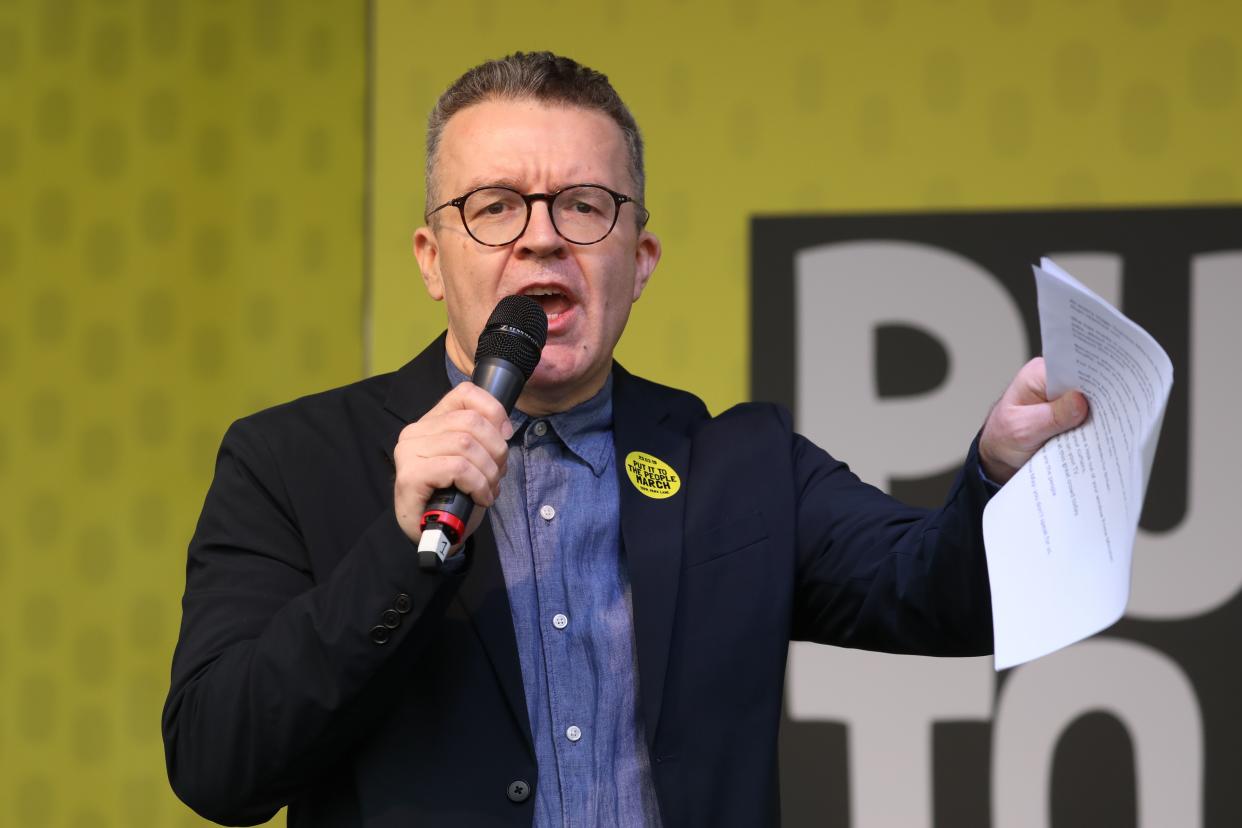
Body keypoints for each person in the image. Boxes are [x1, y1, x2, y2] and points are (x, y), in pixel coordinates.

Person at [163, 52, 1088, 827]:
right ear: (431, 259)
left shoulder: (738, 468)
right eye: (493, 206)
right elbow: (217, 766)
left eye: (585, 206)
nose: (541, 240)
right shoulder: (289, 462)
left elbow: (940, 596)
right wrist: (400, 553)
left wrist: (999, 469)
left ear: (639, 260)